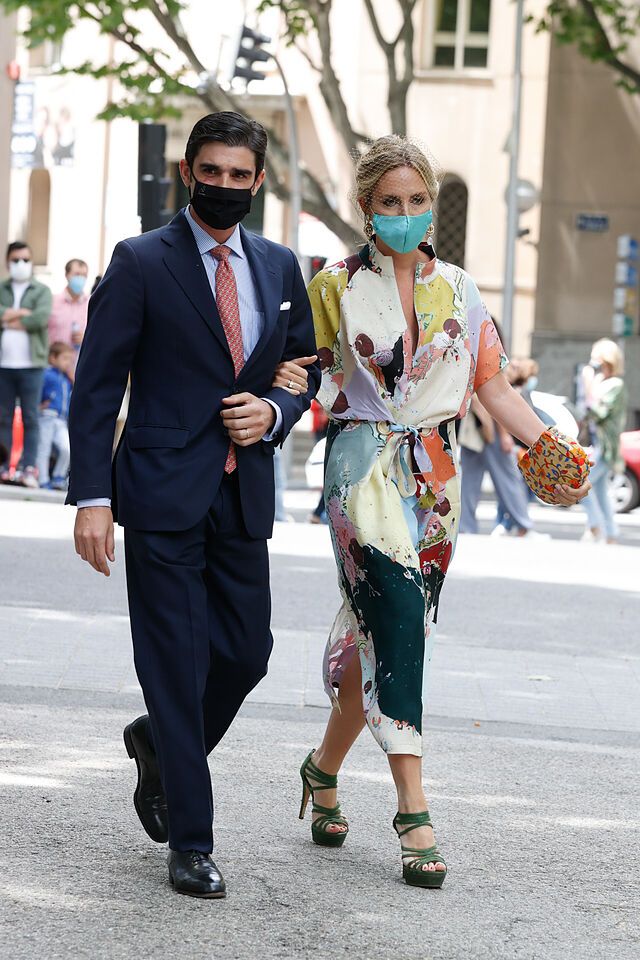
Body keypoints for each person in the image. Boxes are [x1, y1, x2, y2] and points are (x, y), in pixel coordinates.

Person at [304, 135, 590, 889]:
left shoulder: (461, 290)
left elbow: (493, 387)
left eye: (416, 201)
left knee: (382, 634)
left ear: (431, 204)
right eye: (388, 203)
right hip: (359, 467)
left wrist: (550, 449)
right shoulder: (331, 284)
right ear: (366, 208)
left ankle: (321, 768)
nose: (404, 216)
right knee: (396, 616)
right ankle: (413, 811)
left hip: (435, 480)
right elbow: (306, 378)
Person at [67, 111, 320, 898]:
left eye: (240, 176)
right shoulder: (141, 261)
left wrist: (273, 414)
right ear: (187, 172)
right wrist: (93, 498)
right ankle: (191, 839)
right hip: (158, 490)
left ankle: (159, 744)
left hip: (243, 492)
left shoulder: (282, 268)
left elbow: (303, 371)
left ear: (259, 181)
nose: (224, 187)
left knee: (246, 655)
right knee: (175, 665)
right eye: (211, 172)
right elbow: (97, 384)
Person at [0, 241, 52, 487]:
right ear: (8, 261)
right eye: (16, 259)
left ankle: (29, 469)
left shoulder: (41, 290)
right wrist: (23, 314)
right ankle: (3, 466)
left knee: (31, 417)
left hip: (32, 364)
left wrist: (8, 316)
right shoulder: (2, 288)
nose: (20, 264)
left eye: (25, 259)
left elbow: (40, 319)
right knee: (2, 417)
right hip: (4, 365)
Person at [580, 338, 626, 544]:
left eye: (598, 361)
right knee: (599, 492)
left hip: (605, 448)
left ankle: (595, 525)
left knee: (581, 482)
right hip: (595, 444)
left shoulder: (616, 385)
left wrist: (589, 386)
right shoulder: (602, 383)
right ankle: (611, 533)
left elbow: (597, 413)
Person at [36, 341, 74, 490]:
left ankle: (59, 476)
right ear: (52, 358)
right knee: (43, 448)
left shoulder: (66, 379)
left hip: (61, 419)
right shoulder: (46, 374)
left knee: (67, 448)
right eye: (65, 359)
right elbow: (37, 392)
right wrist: (38, 406)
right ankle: (43, 479)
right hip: (47, 416)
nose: (68, 363)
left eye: (70, 360)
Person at [48, 259, 90, 352]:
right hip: (54, 363)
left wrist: (86, 338)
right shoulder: (52, 301)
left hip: (80, 362)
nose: (81, 279)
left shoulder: (91, 304)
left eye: (84, 275)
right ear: (67, 275)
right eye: (77, 274)